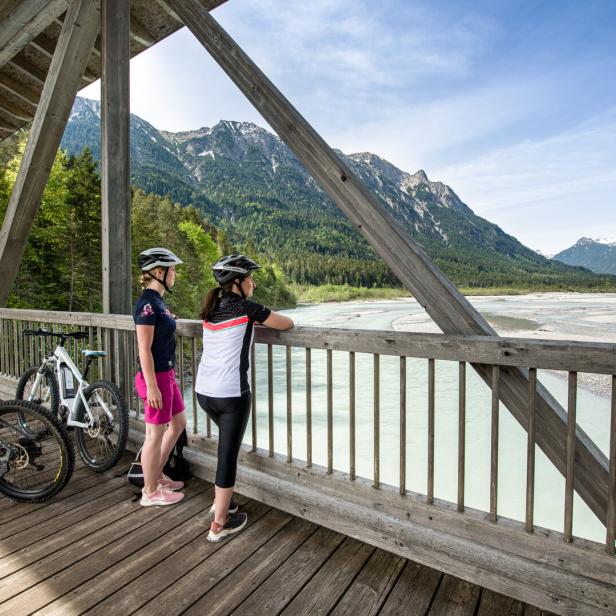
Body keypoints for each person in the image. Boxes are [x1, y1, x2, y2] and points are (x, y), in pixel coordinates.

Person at [195, 255, 294, 541]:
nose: (254, 281)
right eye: (250, 277)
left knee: (227, 449)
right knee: (227, 457)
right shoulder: (247, 307)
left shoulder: (210, 309)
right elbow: (285, 323)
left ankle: (220, 502)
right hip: (231, 395)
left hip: (204, 393)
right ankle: (219, 524)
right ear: (237, 283)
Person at [134, 247, 187, 506]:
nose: (175, 274)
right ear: (158, 272)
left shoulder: (158, 302)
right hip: (155, 377)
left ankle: (156, 476)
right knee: (154, 434)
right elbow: (144, 348)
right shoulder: (146, 304)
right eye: (172, 269)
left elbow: (160, 323)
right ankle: (150, 491)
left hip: (167, 374)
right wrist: (152, 386)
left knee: (178, 424)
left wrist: (169, 318)